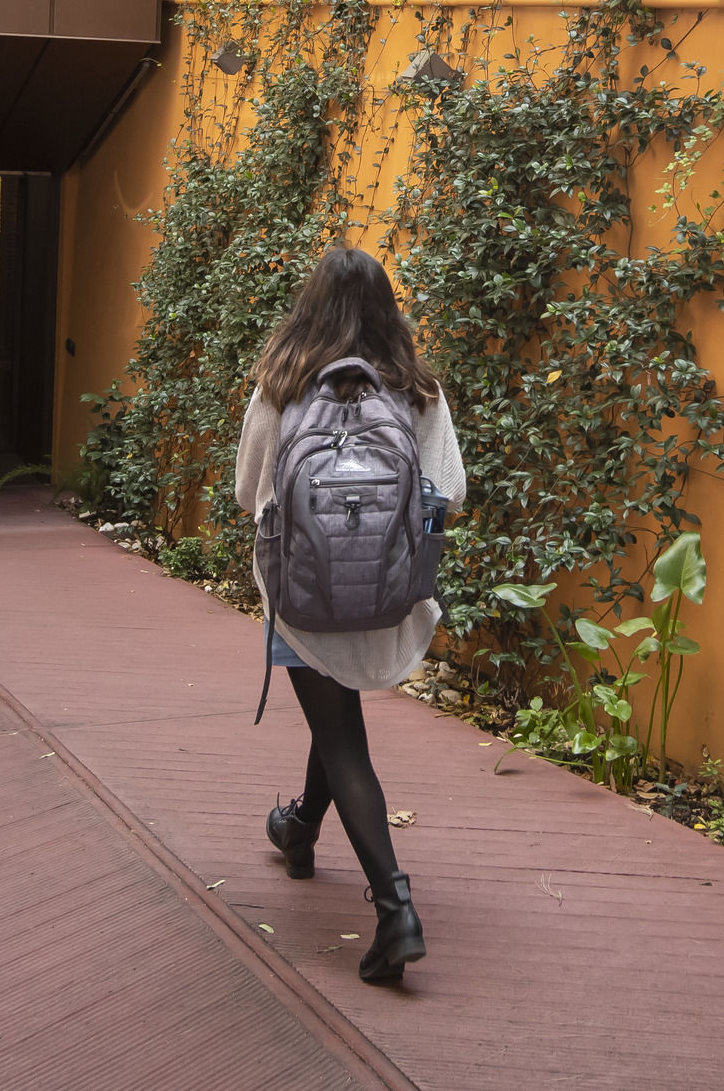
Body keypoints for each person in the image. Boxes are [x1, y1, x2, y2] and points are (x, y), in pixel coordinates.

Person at [235, 244, 463, 986]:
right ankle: (299, 827)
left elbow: (250, 493)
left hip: (306, 598)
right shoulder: (418, 390)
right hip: (389, 595)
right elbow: (449, 494)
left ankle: (395, 910)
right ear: (386, 309)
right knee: (337, 726)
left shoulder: (282, 383)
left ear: (311, 304)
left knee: (342, 737)